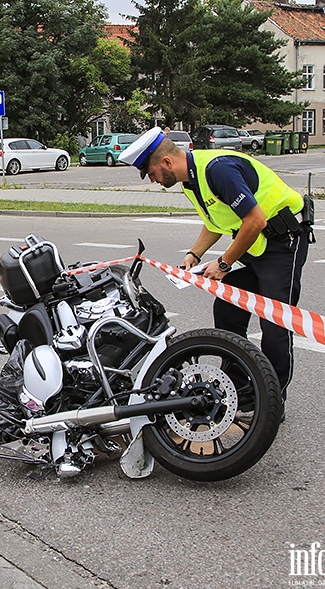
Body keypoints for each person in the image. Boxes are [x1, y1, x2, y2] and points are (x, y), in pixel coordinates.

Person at [119, 127, 313, 419]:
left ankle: (274, 402)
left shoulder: (218, 170)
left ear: (167, 162)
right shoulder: (190, 181)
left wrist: (222, 264)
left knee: (275, 325)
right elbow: (215, 222)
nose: (153, 180)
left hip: (283, 242)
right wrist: (194, 254)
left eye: (151, 172)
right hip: (259, 247)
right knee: (227, 308)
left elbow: (255, 221)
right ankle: (239, 385)